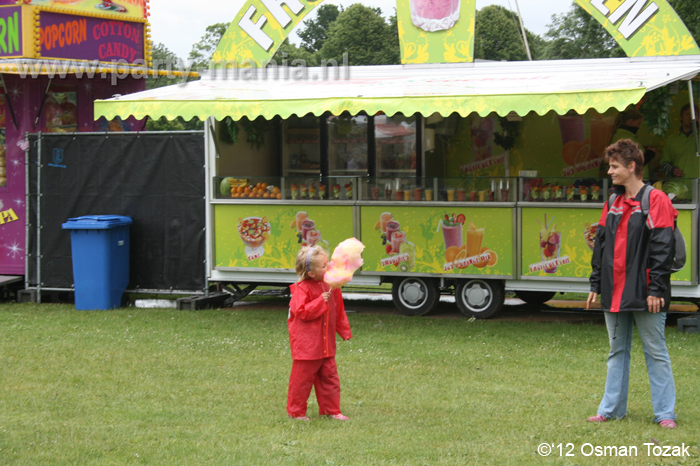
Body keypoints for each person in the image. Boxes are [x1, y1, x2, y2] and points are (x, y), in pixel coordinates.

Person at [586, 139, 677, 429]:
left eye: (614, 167)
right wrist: (595, 283)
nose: (610, 172)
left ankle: (665, 414)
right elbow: (601, 245)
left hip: (645, 292)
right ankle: (610, 410)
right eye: (609, 166)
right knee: (616, 351)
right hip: (614, 291)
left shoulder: (656, 199)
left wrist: (656, 289)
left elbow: (663, 248)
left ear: (631, 166)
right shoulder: (612, 201)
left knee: (655, 351)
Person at [287, 246, 352, 421]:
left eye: (328, 262)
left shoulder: (332, 286)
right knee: (301, 381)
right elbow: (300, 312)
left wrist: (344, 330)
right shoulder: (302, 289)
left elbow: (338, 309)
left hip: (326, 345)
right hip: (307, 347)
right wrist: (318, 302)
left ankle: (331, 410)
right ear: (311, 273)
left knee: (330, 379)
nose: (329, 266)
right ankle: (296, 412)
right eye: (324, 265)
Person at [600, 107, 656, 178]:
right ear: (631, 122)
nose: (639, 127)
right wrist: (650, 154)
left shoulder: (621, 135)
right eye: (638, 124)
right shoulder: (626, 138)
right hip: (632, 180)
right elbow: (632, 163)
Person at [660, 103, 700, 179]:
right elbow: (664, 164)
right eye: (688, 114)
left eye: (695, 114)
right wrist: (672, 170)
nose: (691, 117)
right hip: (679, 186)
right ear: (681, 117)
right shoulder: (671, 140)